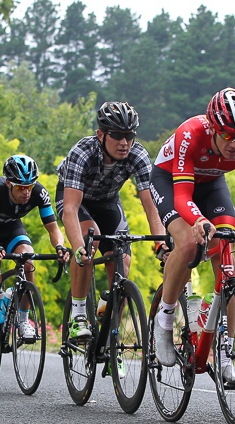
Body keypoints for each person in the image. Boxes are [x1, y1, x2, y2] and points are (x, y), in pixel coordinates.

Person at [150, 87, 235, 387]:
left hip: (212, 182)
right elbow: (183, 197)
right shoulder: (190, 133)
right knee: (188, 243)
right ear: (213, 128)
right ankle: (164, 321)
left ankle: (225, 356)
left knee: (227, 252)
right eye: (227, 136)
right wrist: (199, 220)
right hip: (171, 181)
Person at [57, 101, 164, 339]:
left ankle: (109, 335)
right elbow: (71, 210)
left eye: (129, 136)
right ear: (101, 134)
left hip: (107, 201)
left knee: (122, 265)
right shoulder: (82, 152)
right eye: (117, 136)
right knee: (89, 241)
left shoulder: (137, 155)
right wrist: (78, 250)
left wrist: (161, 243)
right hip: (76, 200)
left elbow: (151, 206)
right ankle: (78, 316)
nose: (124, 143)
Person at [0, 154, 70, 361]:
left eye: (29, 187)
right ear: (8, 183)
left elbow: (53, 228)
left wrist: (60, 246)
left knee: (28, 261)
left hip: (12, 228)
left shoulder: (39, 192)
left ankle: (23, 320)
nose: (26, 192)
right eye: (20, 187)